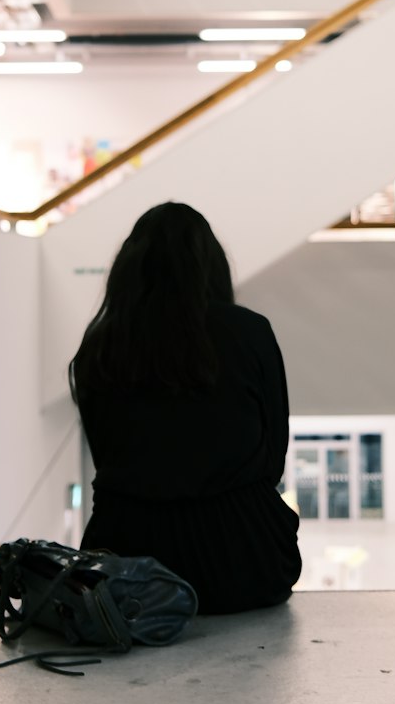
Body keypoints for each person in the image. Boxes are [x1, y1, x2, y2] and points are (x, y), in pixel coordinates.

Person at [70, 202, 302, 614]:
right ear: (212, 266)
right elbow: (272, 459)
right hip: (248, 562)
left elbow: (105, 461)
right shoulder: (249, 332)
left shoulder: (100, 347)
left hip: (129, 566)